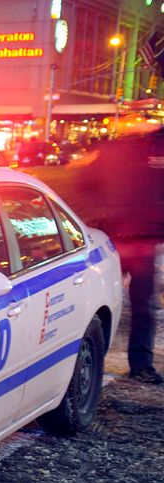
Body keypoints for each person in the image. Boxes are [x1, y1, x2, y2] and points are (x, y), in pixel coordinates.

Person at [79, 118, 164, 384]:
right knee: (112, 305)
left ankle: (136, 364)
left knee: (136, 306)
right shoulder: (134, 151)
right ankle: (133, 364)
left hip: (135, 242)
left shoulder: (128, 151)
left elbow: (84, 186)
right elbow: (85, 186)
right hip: (119, 242)